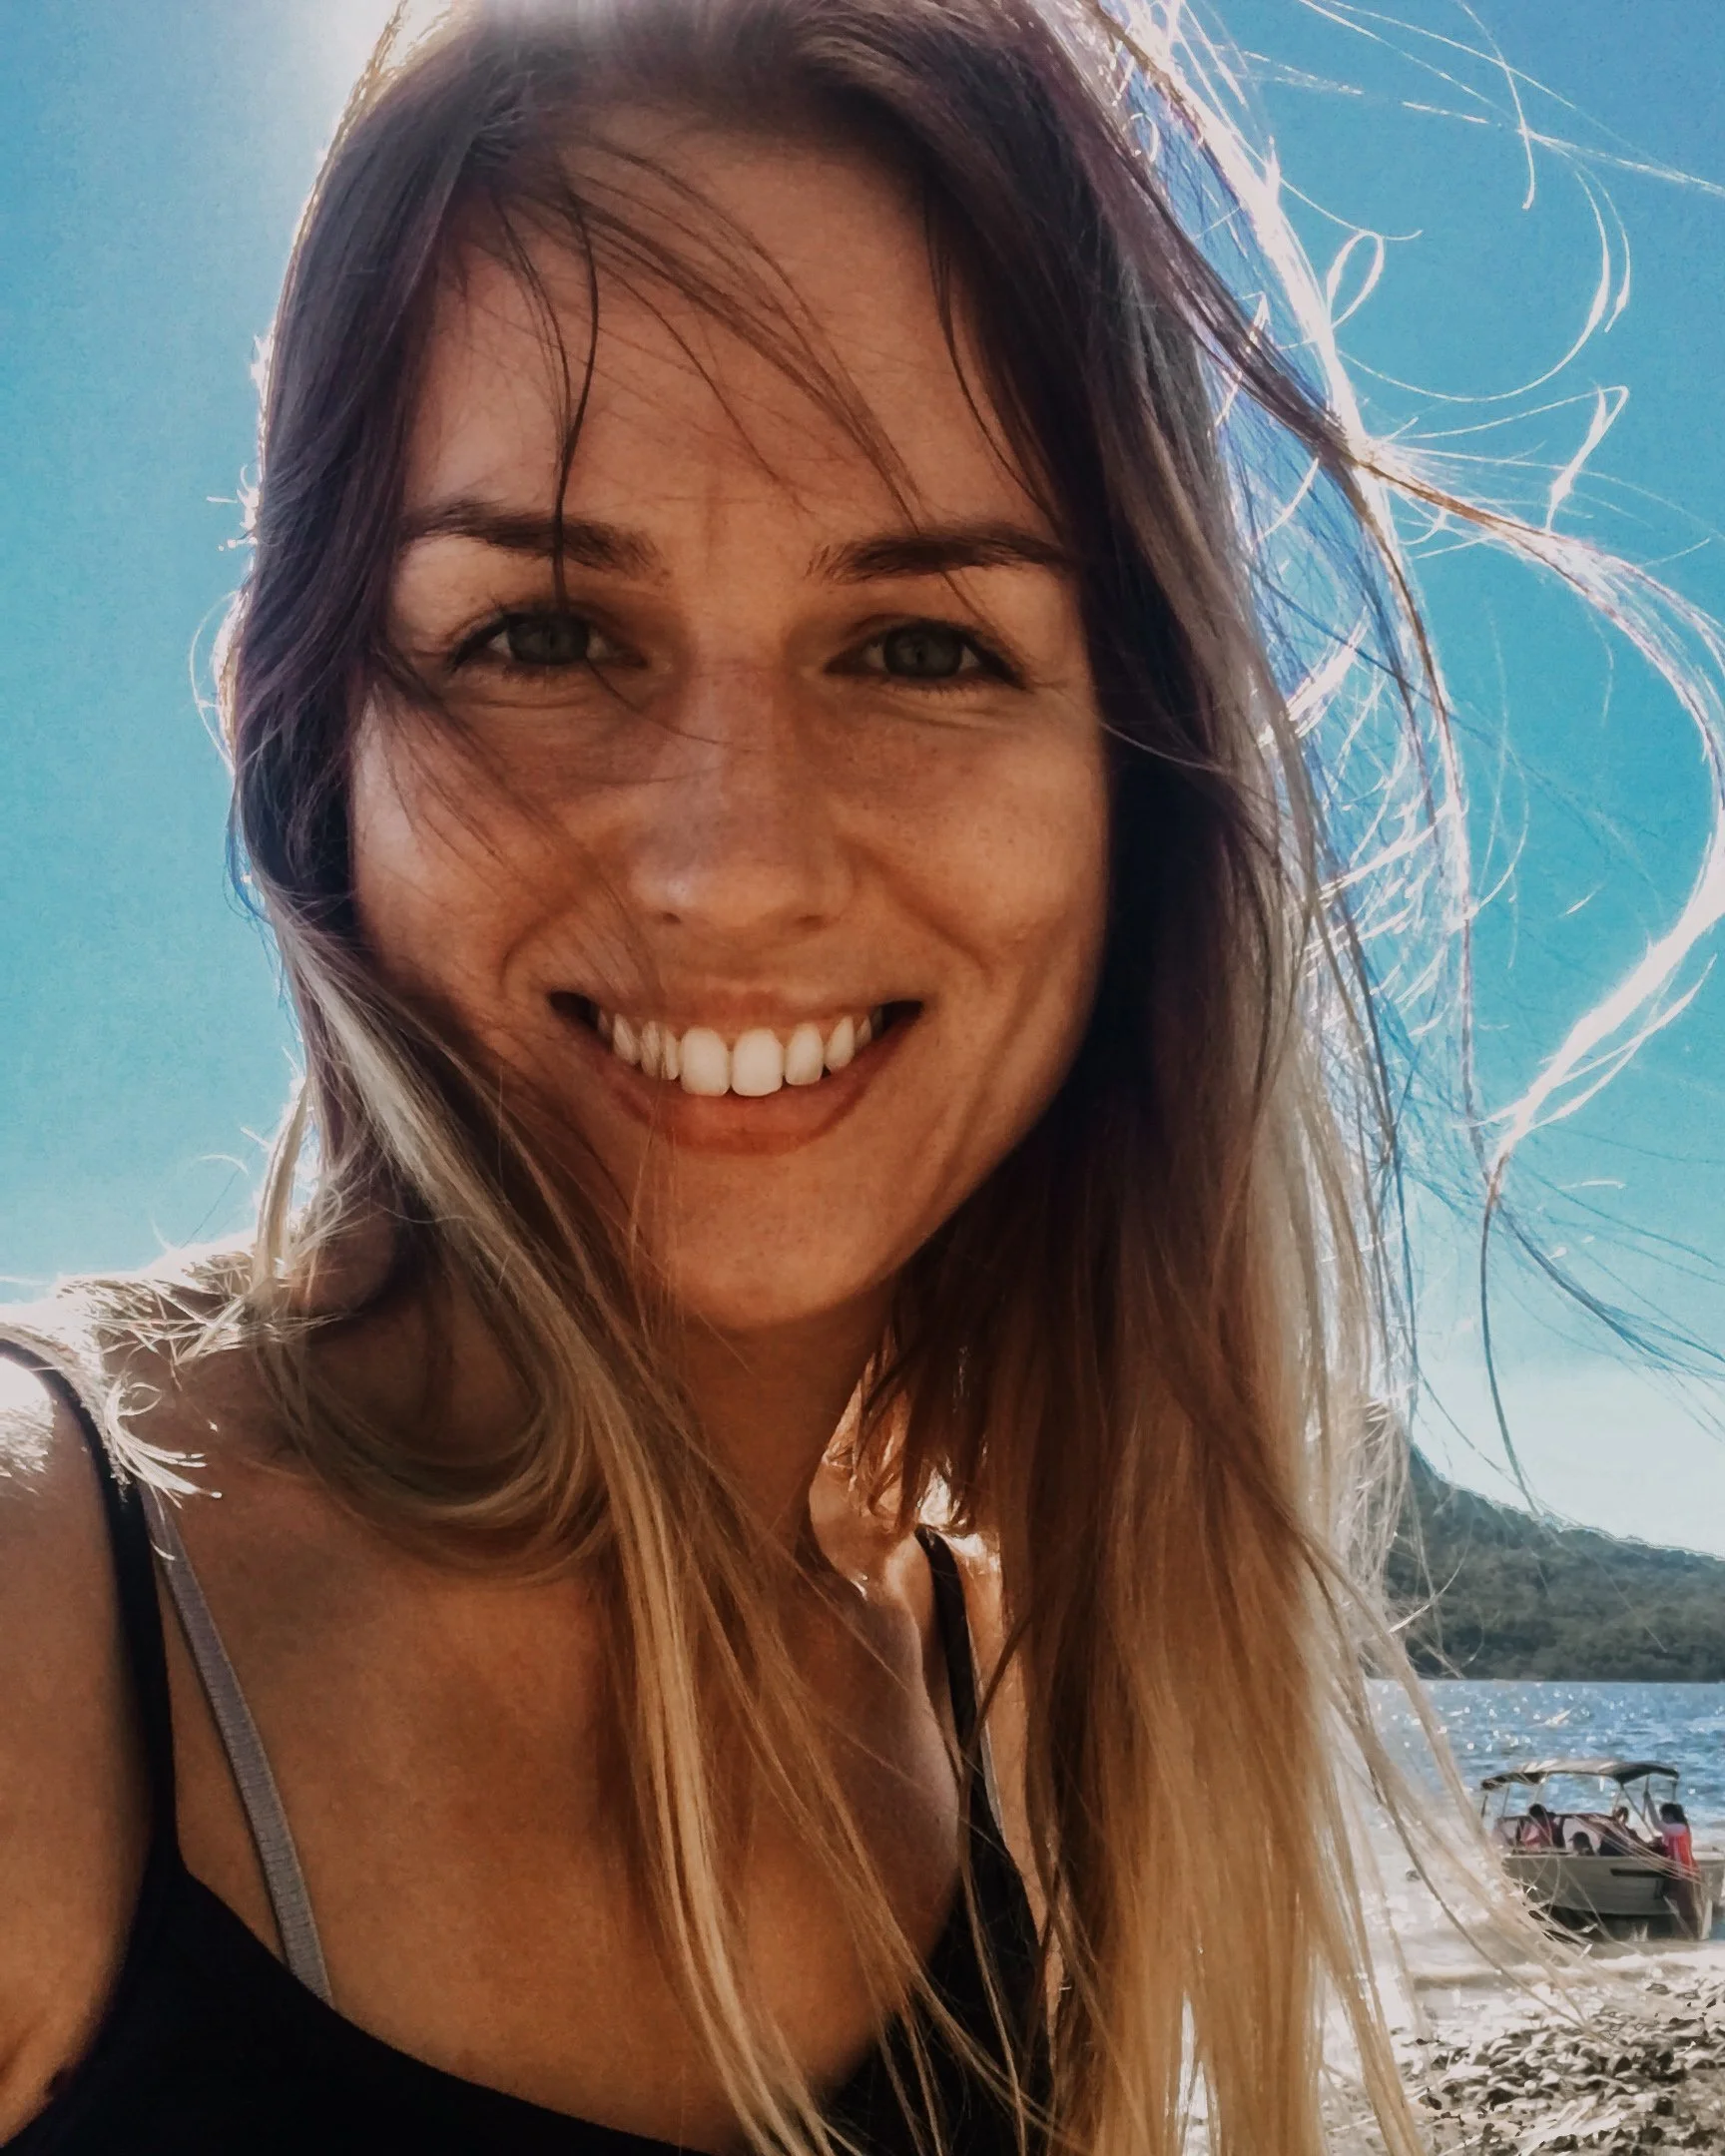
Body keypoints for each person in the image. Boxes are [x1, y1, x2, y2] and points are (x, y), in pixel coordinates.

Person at [0, 2, 1566, 2152]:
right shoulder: (40, 1624)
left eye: (923, 646)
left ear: (1138, 788)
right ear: (315, 756)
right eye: (540, 632)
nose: (727, 871)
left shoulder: (1017, 1716)